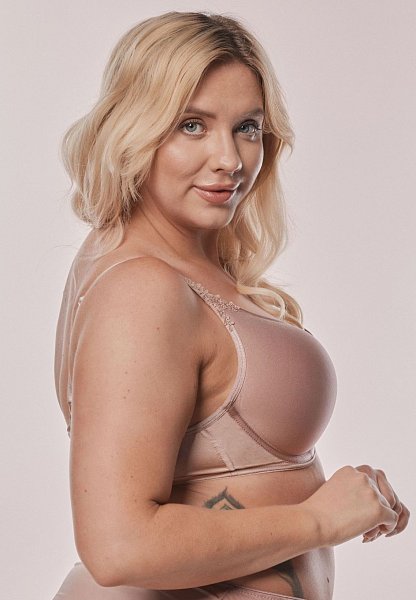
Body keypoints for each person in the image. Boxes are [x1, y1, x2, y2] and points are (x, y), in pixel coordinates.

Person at [52, 11, 409, 600]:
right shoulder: (142, 287)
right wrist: (320, 520)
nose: (230, 159)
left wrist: (340, 501)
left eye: (247, 127)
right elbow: (120, 546)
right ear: (134, 127)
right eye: (191, 125)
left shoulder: (164, 259)